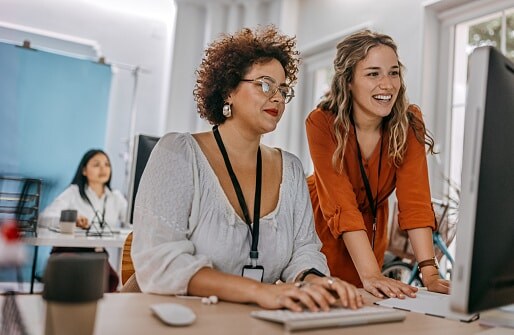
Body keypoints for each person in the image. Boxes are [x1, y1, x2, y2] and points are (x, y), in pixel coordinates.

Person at [131, 25, 363, 312]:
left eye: (283, 90)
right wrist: (260, 292)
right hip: (175, 320)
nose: (277, 97)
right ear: (228, 90)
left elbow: (304, 251)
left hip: (254, 323)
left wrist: (315, 282)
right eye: (265, 85)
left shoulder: (290, 168)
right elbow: (162, 262)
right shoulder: (178, 153)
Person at [305, 30, 450, 299]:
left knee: (370, 303)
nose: (387, 84)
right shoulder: (321, 122)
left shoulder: (409, 123)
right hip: (323, 222)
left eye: (393, 73)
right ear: (348, 81)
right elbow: (341, 204)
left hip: (371, 227)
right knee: (329, 304)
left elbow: (415, 201)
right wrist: (371, 273)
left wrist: (430, 272)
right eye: (373, 74)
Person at [39, 149, 127, 292]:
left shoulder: (116, 197)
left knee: (108, 281)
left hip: (97, 255)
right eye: (96, 164)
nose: (103, 169)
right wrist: (71, 219)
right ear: (84, 170)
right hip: (68, 251)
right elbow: (44, 219)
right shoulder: (73, 192)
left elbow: (133, 222)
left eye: (107, 164)